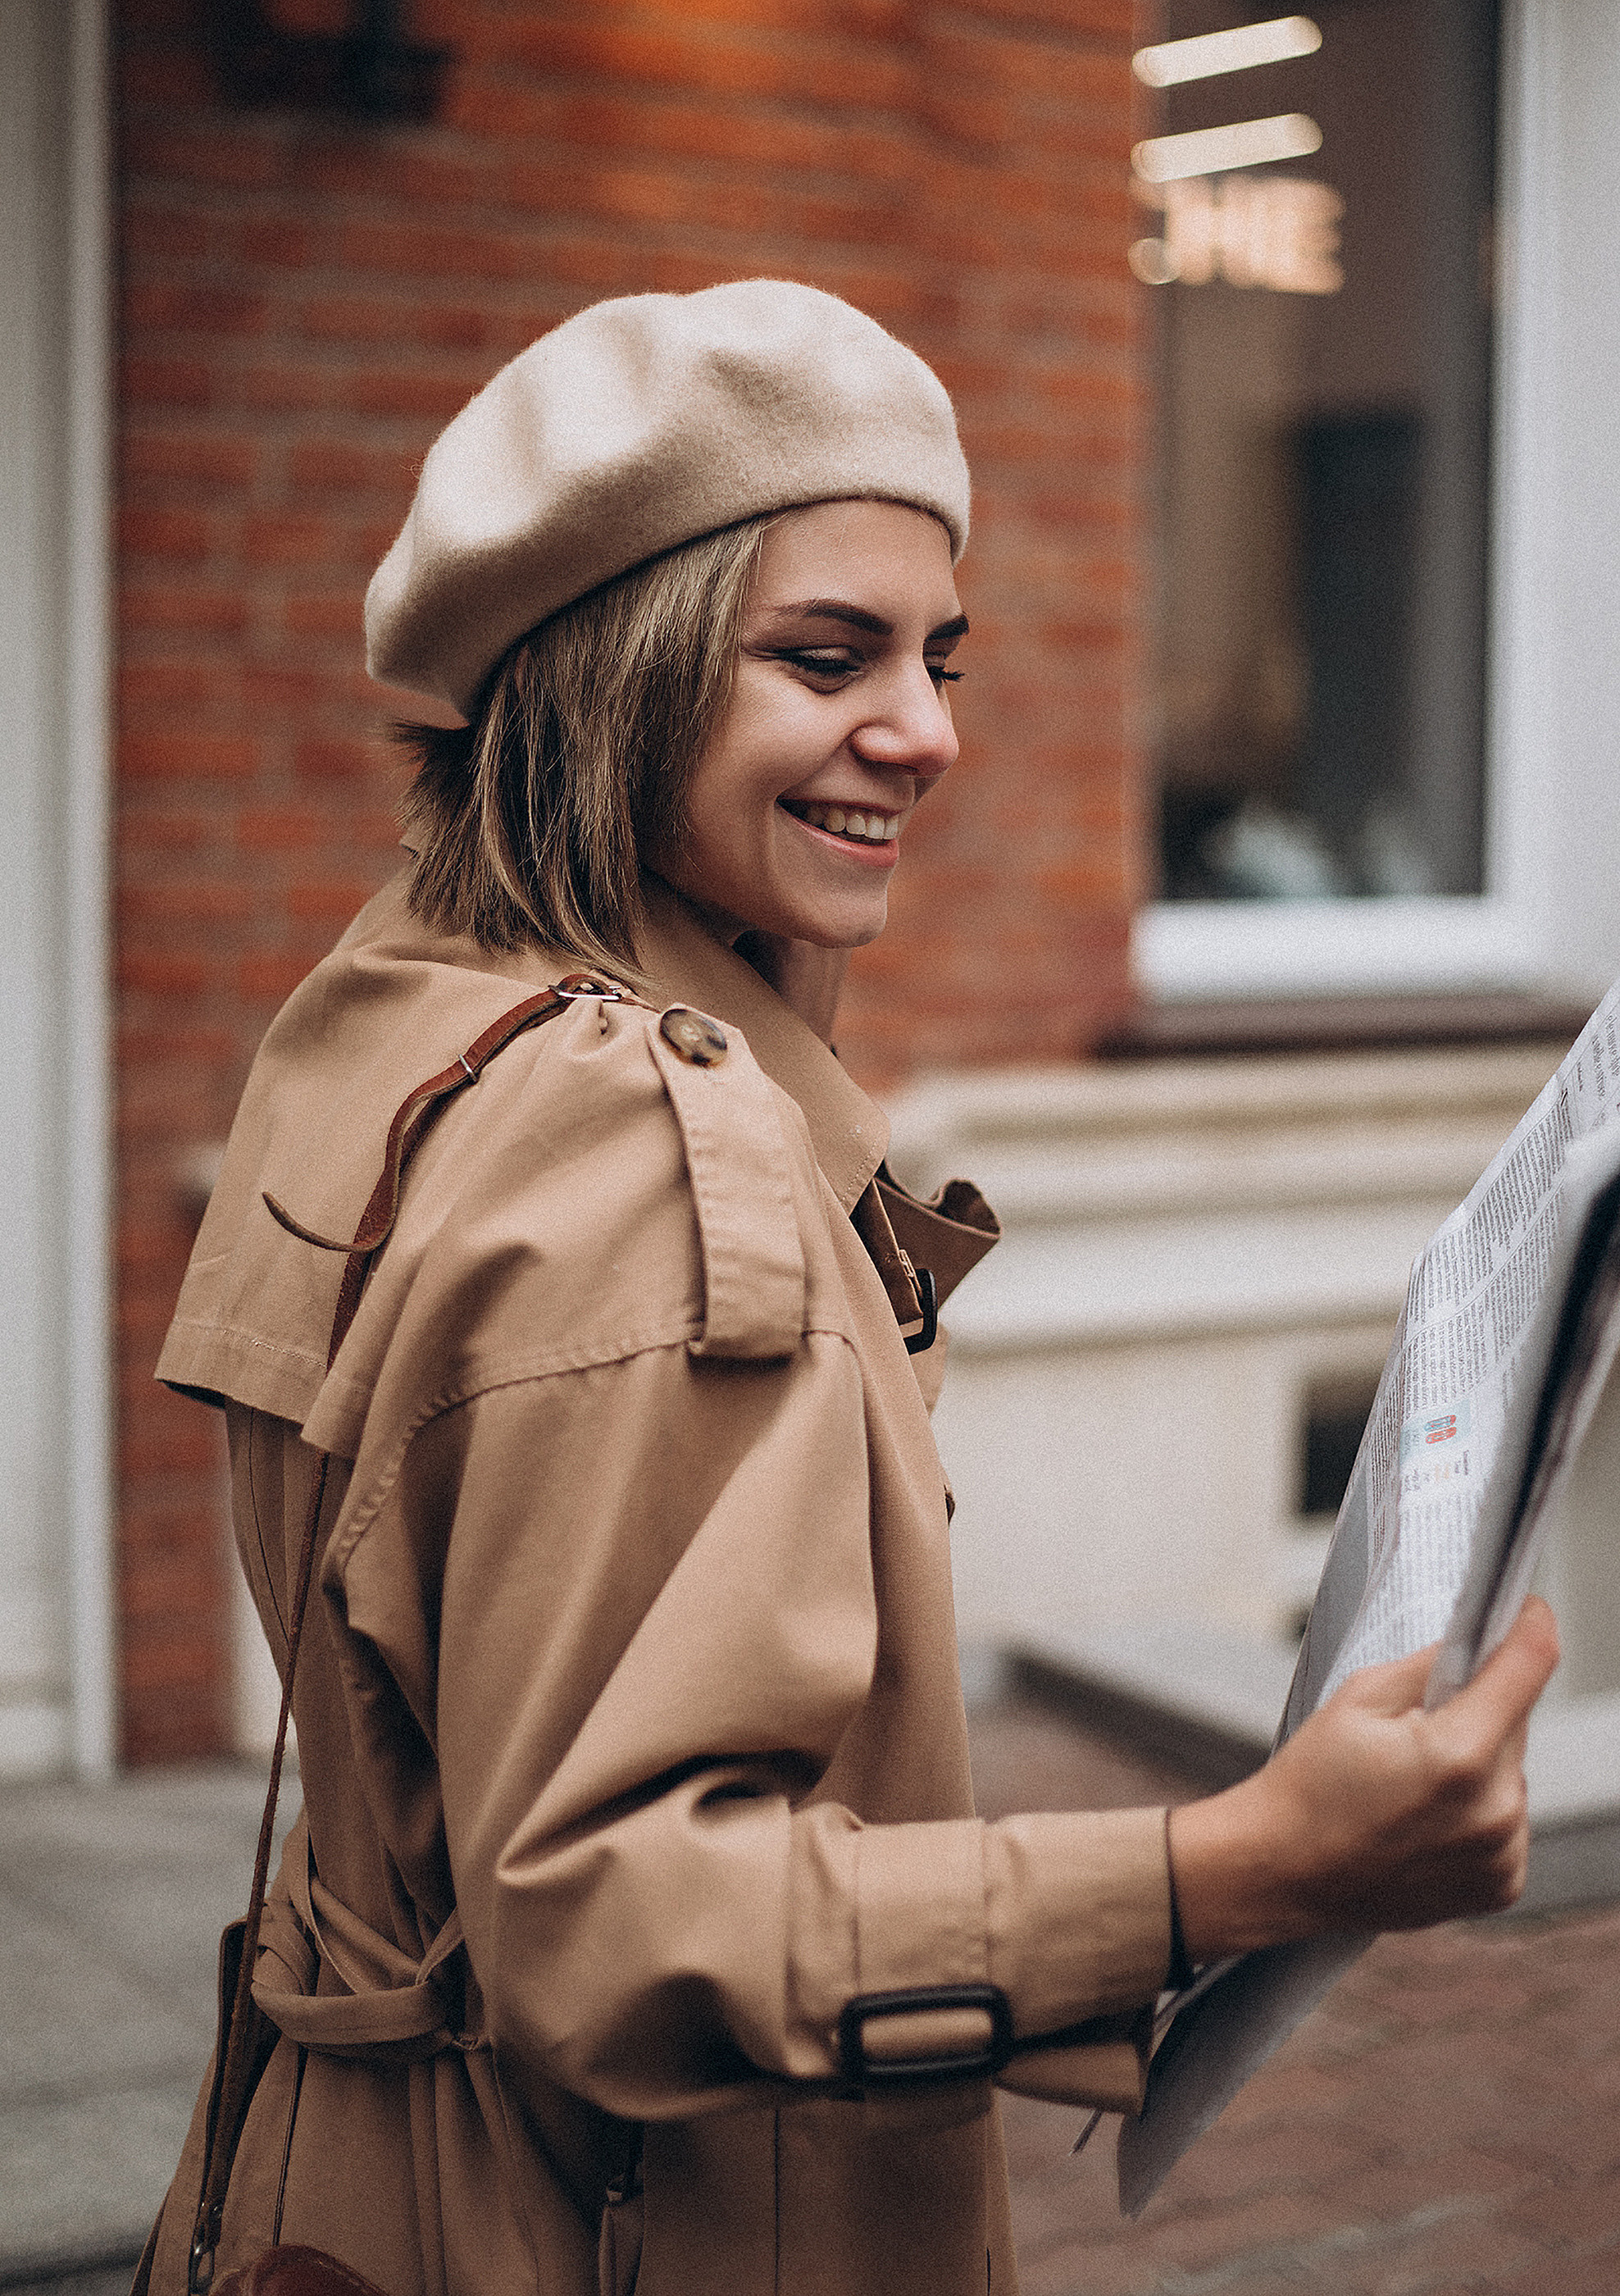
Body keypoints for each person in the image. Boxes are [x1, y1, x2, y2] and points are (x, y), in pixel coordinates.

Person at [147, 281, 1559, 2296]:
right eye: (826, 657)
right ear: (611, 679)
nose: (928, 731)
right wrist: (1244, 1869)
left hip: (338, 2179)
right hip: (615, 2228)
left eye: (937, 654)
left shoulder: (392, 1006)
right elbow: (618, 1927)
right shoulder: (652, 1151)